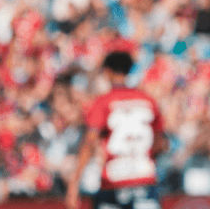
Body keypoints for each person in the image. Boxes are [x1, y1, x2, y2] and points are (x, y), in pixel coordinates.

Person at [66, 51, 167, 209]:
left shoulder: (103, 102)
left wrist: (74, 183)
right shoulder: (148, 100)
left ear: (107, 71)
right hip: (145, 178)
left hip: (114, 179)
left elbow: (89, 141)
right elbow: (160, 143)